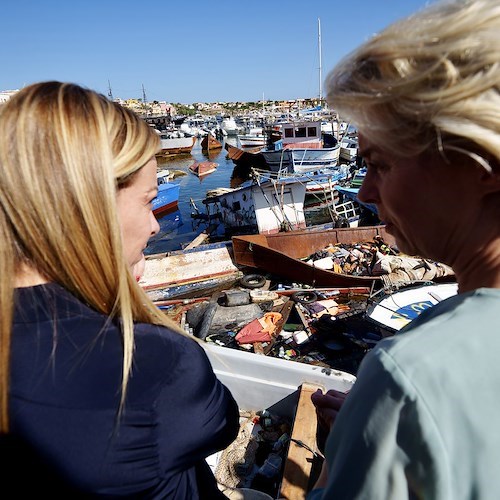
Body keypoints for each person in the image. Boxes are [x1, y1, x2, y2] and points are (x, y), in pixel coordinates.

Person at [0, 81, 239, 498]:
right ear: (91, 205)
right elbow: (222, 422)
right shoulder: (155, 365)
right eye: (148, 202)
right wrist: (122, 293)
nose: (155, 225)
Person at [308, 1, 500, 498]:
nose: (366, 193)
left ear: (482, 164)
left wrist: (363, 442)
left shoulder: (408, 374)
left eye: (380, 164)